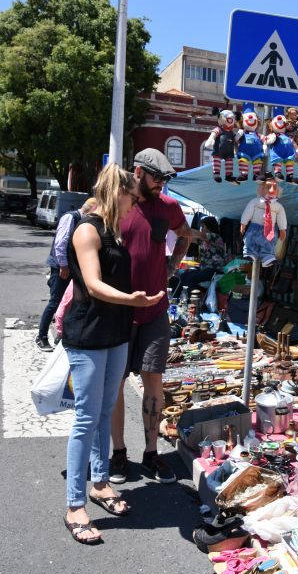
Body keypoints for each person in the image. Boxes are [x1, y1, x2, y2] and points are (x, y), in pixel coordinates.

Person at [62, 163, 164, 545]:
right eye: (130, 198)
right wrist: (133, 300)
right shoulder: (87, 230)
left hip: (116, 334)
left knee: (104, 412)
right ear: (115, 193)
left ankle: (101, 483)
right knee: (86, 419)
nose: (132, 205)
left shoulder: (114, 231)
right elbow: (92, 283)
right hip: (88, 335)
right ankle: (74, 505)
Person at [110, 148, 191, 485]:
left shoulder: (169, 207)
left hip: (156, 310)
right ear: (138, 172)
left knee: (153, 381)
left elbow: (184, 234)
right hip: (117, 312)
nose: (162, 184)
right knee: (114, 385)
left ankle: (151, 453)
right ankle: (118, 454)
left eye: (165, 179)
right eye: (157, 177)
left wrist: (172, 267)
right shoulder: (119, 205)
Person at [35, 196, 97, 351]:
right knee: (55, 302)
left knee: (71, 302)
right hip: (61, 267)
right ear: (90, 210)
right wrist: (63, 265)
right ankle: (41, 337)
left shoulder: (83, 221)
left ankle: (62, 336)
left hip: (72, 268)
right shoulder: (71, 217)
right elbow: (60, 243)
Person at [240, 172, 287, 267]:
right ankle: (250, 254)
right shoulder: (255, 202)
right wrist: (243, 223)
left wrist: (283, 229)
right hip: (254, 227)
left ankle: (267, 257)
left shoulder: (278, 207)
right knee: (250, 240)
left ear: (278, 191)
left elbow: (282, 218)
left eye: (274, 187)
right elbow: (247, 212)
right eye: (268, 187)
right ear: (261, 190)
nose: (271, 190)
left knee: (269, 244)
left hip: (270, 230)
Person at [176, 217, 227, 298]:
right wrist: (179, 233)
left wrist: (185, 231)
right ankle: (177, 299)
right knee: (184, 275)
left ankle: (193, 302)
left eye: (203, 226)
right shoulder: (202, 239)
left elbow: (200, 235)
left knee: (191, 278)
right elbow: (192, 239)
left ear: (209, 227)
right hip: (205, 269)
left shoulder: (215, 236)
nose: (201, 228)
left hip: (215, 270)